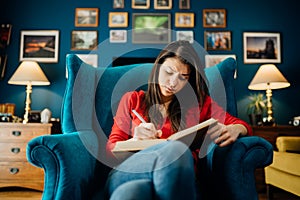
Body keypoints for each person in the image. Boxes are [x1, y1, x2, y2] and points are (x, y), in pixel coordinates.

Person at [105, 40, 252, 199]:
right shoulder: (132, 100)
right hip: (132, 170)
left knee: (131, 193)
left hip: (178, 176)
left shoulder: (200, 104)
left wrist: (236, 129)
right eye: (168, 72)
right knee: (175, 150)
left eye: (183, 78)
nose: (173, 83)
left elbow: (241, 124)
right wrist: (134, 140)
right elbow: (110, 151)